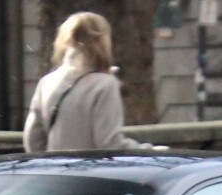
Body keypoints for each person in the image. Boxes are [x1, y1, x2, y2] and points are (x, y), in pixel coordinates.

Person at [24, 12, 140, 153]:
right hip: (91, 172)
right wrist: (149, 151)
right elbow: (109, 143)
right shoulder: (104, 85)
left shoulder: (47, 82)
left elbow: (33, 140)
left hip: (56, 171)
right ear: (102, 41)